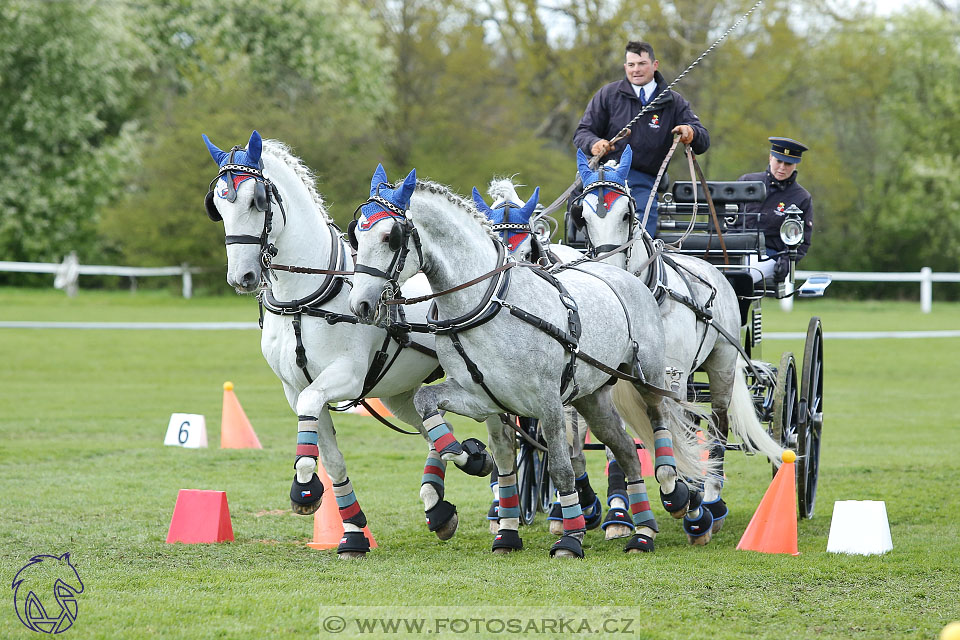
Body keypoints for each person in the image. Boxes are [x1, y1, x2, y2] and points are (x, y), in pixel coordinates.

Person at [573, 41, 710, 238]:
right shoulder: (608, 95)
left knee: (642, 226)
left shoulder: (672, 101)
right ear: (625, 67)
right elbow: (582, 132)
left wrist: (691, 132)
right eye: (631, 65)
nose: (636, 70)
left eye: (642, 64)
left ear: (655, 65)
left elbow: (703, 140)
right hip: (603, 178)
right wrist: (594, 144)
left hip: (643, 180)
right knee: (582, 215)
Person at [737, 137, 814, 282]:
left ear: (796, 165)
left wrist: (786, 262)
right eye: (779, 161)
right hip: (735, 249)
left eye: (788, 163)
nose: (782, 167)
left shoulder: (801, 198)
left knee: (740, 278)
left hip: (769, 255)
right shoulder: (747, 182)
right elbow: (728, 217)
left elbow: (802, 241)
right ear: (770, 157)